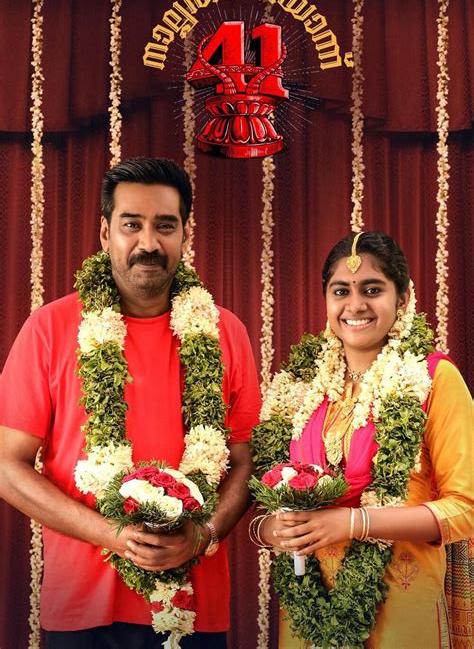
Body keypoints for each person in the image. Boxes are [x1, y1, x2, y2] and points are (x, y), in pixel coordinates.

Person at [0, 157, 261, 649]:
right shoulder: (50, 328)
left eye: (165, 226)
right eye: (131, 225)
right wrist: (111, 534)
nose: (148, 243)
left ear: (185, 234)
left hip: (194, 606)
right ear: (105, 234)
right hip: (83, 607)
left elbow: (246, 461)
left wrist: (202, 534)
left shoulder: (226, 332)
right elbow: (6, 466)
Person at [252, 231, 473, 648]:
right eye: (341, 291)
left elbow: (466, 508)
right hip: (308, 610)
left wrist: (355, 523)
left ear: (403, 298)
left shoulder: (434, 379)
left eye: (372, 290)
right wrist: (271, 529)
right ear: (326, 300)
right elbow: (267, 505)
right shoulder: (299, 388)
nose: (355, 305)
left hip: (401, 609)